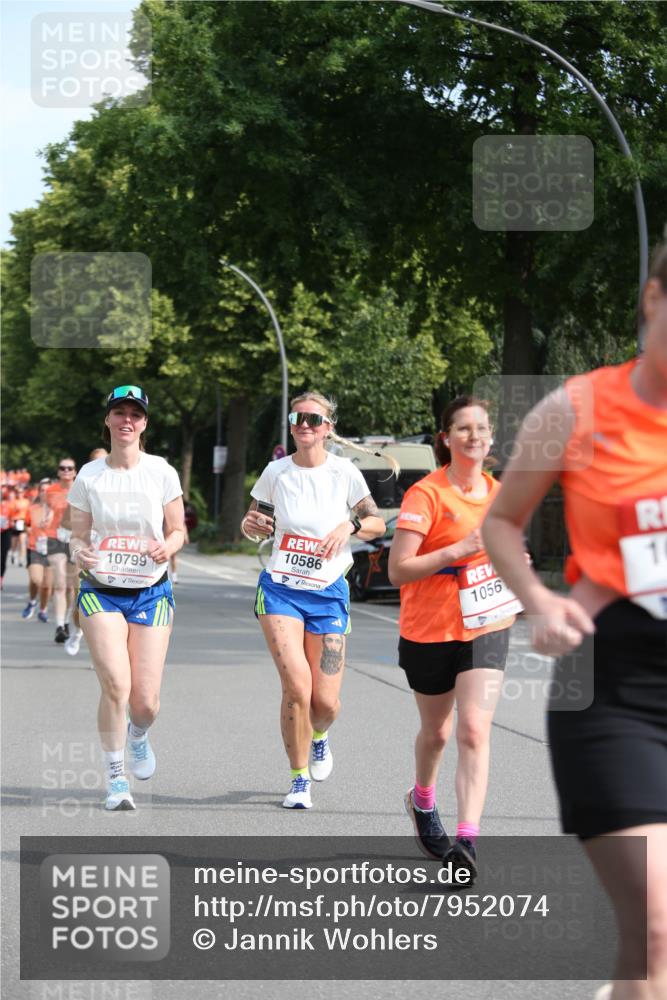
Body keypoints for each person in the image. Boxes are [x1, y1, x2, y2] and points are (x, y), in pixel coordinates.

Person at [482, 244, 667, 1000]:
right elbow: (500, 523)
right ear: (653, 299)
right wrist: (538, 599)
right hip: (614, 692)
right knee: (654, 926)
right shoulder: (576, 409)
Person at [388, 396, 522, 876]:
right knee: (438, 732)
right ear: (446, 438)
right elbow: (398, 569)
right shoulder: (426, 494)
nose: (474, 435)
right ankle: (423, 799)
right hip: (429, 627)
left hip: (486, 624)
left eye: (482, 428)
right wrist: (458, 549)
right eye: (463, 428)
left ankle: (467, 841)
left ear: (490, 438)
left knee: (473, 730)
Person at [243, 391, 390, 809]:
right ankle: (298, 779)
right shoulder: (276, 472)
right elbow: (253, 523)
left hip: (328, 594)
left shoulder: (345, 473)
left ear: (328, 428)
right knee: (296, 687)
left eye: (313, 419)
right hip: (280, 589)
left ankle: (320, 737)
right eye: (297, 417)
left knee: (323, 703)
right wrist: (249, 524)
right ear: (291, 425)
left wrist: (350, 525)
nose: (304, 424)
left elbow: (377, 522)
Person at [68, 385, 184, 811]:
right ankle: (116, 780)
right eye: (119, 412)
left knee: (146, 701)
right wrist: (80, 552)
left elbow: (177, 530)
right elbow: (77, 537)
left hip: (151, 591)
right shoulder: (88, 475)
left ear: (144, 424)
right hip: (101, 591)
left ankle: (138, 735)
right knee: (116, 685)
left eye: (135, 414)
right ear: (108, 420)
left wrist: (167, 548)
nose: (126, 421)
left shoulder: (161, 472)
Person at [64, 447, 108, 657]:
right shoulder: (83, 485)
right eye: (97, 461)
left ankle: (102, 654)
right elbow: (65, 520)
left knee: (107, 610)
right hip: (85, 555)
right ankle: (77, 632)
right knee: (80, 605)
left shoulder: (120, 487)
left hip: (111, 559)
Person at [45, 457, 77, 643]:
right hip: (54, 537)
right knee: (59, 584)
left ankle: (66, 621)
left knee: (72, 587)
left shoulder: (81, 488)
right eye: (62, 468)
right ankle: (59, 627)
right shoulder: (50, 491)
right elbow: (45, 510)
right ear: (58, 471)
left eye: (69, 468)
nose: (66, 471)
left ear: (74, 471)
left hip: (75, 539)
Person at [21, 478, 54, 621]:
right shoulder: (32, 509)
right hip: (35, 548)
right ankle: (32, 601)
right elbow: (26, 524)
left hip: (52, 549)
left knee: (47, 586)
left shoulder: (58, 510)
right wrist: (28, 530)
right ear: (38, 492)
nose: (45, 494)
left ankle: (43, 609)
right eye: (42, 491)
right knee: (35, 579)